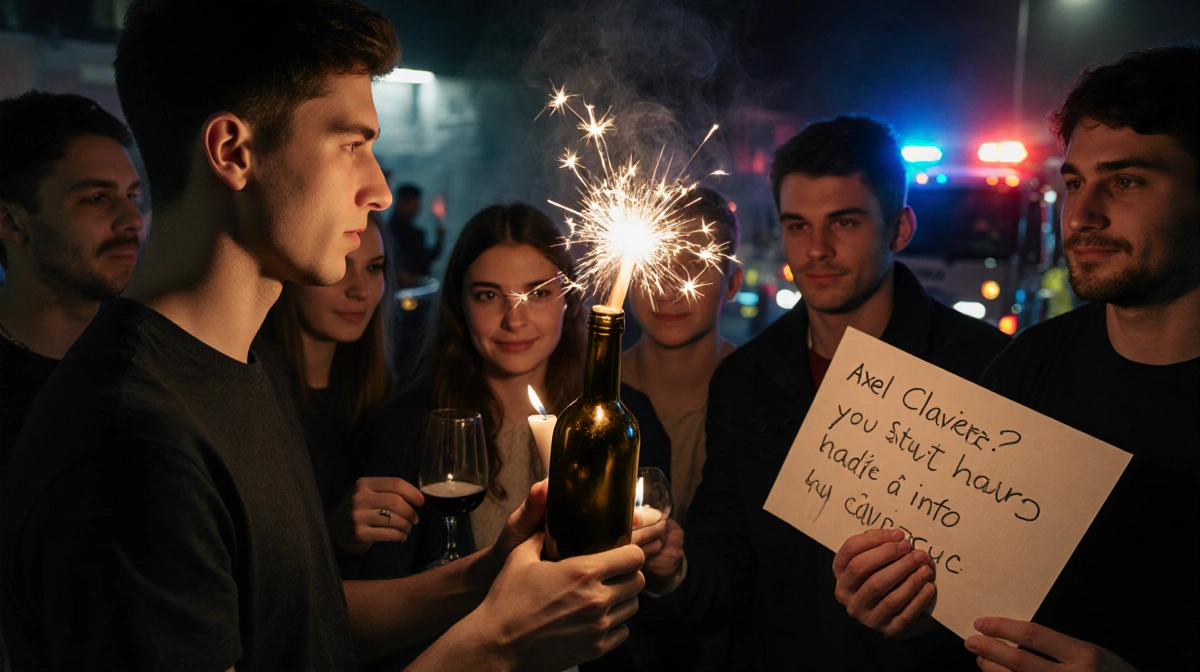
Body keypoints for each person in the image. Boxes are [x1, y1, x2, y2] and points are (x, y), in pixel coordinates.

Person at [0, 2, 645, 670]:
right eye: (351, 144)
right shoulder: (131, 442)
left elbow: (299, 626)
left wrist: (486, 576)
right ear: (233, 152)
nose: (378, 190)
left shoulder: (240, 368)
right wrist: (500, 642)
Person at [840, 44, 1200, 672]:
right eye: (1075, 183)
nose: (1082, 215)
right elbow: (972, 600)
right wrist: (905, 611)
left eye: (1127, 180)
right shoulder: (1026, 368)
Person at [637, 115, 1011, 670]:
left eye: (844, 223)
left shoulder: (984, 367)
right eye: (797, 226)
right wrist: (676, 572)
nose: (816, 250)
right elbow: (726, 554)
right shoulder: (747, 379)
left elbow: (1009, 577)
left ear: (899, 228)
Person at [357, 201, 674, 668]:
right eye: (488, 295)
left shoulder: (626, 423)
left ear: (569, 302)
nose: (514, 319)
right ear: (458, 304)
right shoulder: (405, 428)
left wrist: (666, 570)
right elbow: (364, 616)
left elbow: (650, 623)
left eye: (539, 293)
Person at [259, 211, 420, 572]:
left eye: (374, 268)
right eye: (340, 266)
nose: (360, 290)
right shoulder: (255, 404)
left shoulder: (385, 398)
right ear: (291, 271)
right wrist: (331, 536)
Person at [0, 90, 144, 469]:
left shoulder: (151, 362)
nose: (133, 220)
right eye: (97, 198)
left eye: (132, 196)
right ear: (11, 222)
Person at [623, 186, 743, 527]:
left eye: (693, 266)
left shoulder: (762, 398)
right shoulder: (591, 396)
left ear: (732, 282)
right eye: (653, 265)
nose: (669, 289)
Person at [388, 183, 444, 285]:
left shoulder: (417, 233)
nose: (417, 209)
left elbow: (425, 258)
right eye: (414, 204)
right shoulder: (389, 232)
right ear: (401, 203)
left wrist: (440, 238)